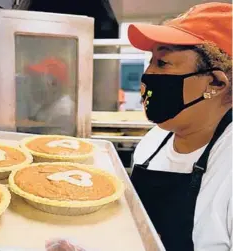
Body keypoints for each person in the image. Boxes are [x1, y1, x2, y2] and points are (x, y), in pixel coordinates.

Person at [46, 2, 232, 251]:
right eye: (150, 61)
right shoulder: (153, 142)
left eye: (162, 63)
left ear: (216, 84)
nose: (148, 75)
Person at [16, 57, 76, 136]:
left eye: (37, 81)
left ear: (54, 84)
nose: (32, 87)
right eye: (33, 81)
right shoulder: (49, 104)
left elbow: (53, 142)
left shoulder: (63, 111)